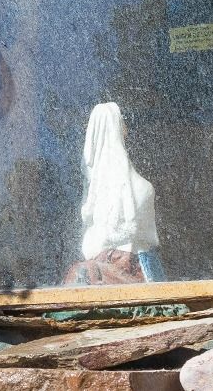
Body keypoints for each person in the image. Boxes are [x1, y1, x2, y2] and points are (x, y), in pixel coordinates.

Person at [65, 102, 167, 285]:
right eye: (123, 123)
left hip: (138, 272)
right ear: (120, 129)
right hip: (137, 273)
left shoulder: (101, 197)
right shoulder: (143, 188)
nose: (127, 129)